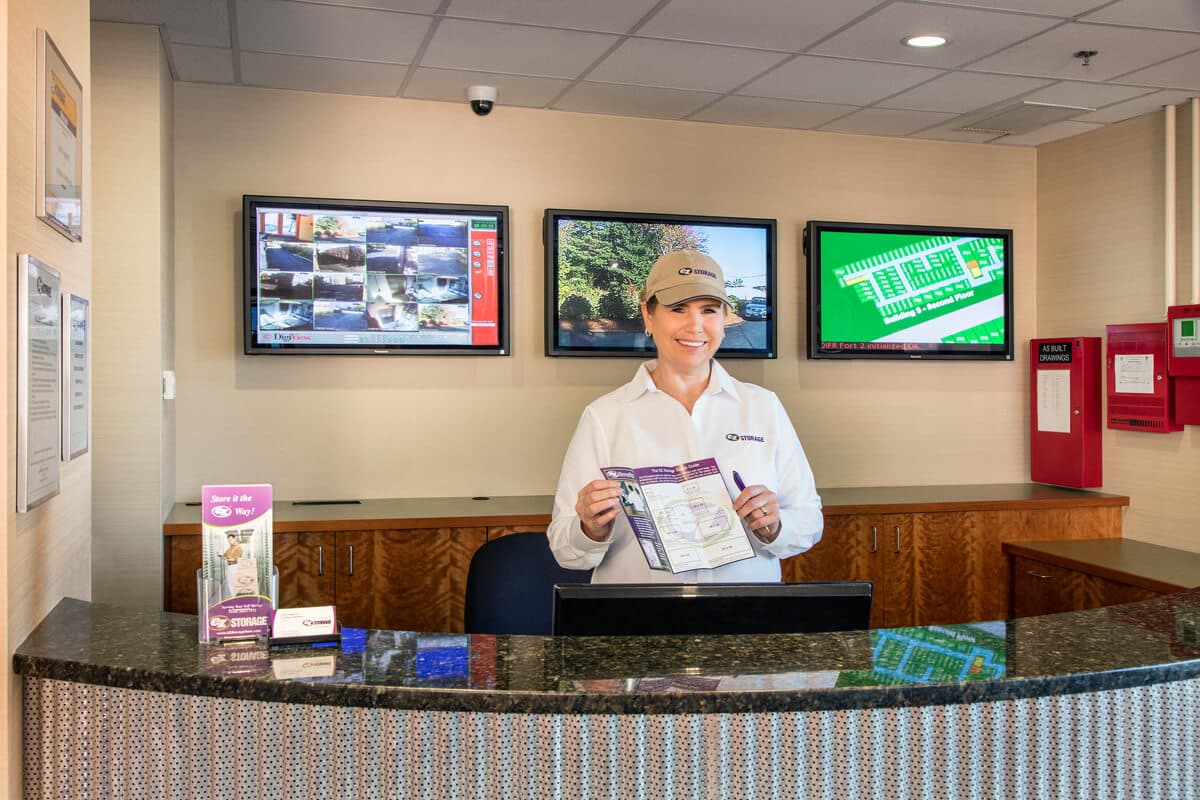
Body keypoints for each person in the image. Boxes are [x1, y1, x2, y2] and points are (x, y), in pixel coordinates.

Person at [548, 249, 823, 583]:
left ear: (724, 319)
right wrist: (589, 528)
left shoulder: (763, 407)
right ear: (648, 317)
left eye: (709, 310)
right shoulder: (604, 417)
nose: (695, 326)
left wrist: (775, 527)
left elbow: (808, 522)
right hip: (638, 625)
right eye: (678, 309)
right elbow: (564, 550)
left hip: (742, 620)